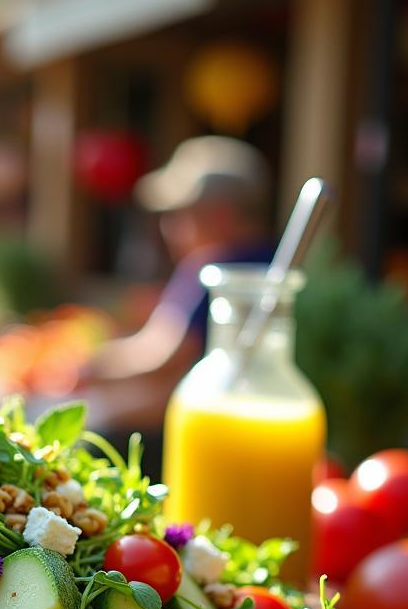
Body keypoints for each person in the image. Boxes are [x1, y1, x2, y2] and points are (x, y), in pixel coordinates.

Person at [80, 136, 274, 436]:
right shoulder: (265, 263)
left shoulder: (221, 271)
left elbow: (164, 357)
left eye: (180, 213)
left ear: (220, 214)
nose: (169, 227)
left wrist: (90, 368)